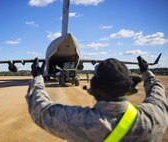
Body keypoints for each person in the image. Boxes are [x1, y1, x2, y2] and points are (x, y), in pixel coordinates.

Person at [26, 57, 168, 142]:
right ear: (129, 88)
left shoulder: (77, 121)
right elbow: (157, 92)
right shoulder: (155, 116)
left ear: (94, 90)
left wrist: (38, 77)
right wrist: (147, 72)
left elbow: (40, 109)